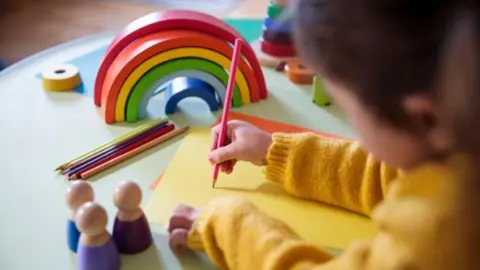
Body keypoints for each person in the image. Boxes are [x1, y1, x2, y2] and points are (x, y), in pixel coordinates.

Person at [167, 0, 479, 269]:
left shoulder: (441, 234)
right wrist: (274, 151)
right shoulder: (456, 147)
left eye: (349, 109)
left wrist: (229, 226)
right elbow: (387, 176)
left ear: (424, 118)